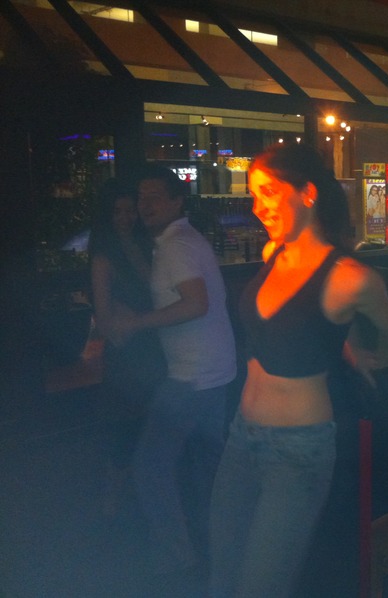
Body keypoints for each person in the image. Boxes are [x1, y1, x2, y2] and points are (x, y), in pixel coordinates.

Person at [208, 143, 388, 598]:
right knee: (222, 573)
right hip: (240, 438)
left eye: (268, 192)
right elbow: (304, 323)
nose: (257, 207)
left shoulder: (352, 277)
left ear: (307, 193)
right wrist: (348, 349)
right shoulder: (273, 252)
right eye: (253, 195)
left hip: (297, 453)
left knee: (260, 587)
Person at [111, 164, 237, 576]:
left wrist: (135, 322)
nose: (145, 204)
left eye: (154, 197)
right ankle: (219, 547)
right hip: (214, 370)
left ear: (177, 201)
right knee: (207, 467)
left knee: (150, 467)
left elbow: (196, 303)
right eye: (141, 197)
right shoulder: (180, 240)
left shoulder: (176, 245)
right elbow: (170, 287)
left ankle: (177, 554)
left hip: (192, 375)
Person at [88, 178, 166, 517]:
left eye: (130, 210)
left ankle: (141, 496)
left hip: (155, 346)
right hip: (129, 353)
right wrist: (131, 322)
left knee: (152, 425)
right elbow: (106, 320)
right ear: (108, 216)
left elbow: (159, 291)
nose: (125, 217)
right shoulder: (104, 258)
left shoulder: (148, 247)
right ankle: (114, 502)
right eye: (117, 211)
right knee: (124, 429)